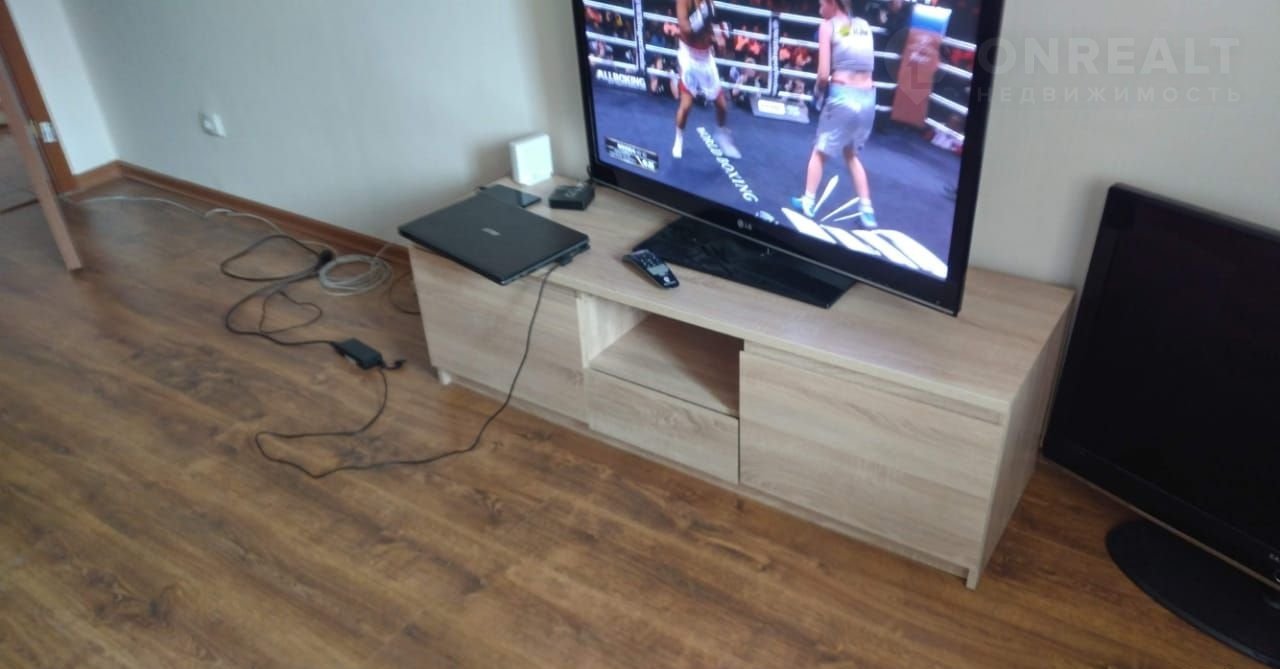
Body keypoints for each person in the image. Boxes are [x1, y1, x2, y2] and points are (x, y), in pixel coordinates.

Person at [790, 0, 879, 227]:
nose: (819, 5)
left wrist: (817, 94)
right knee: (851, 154)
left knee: (820, 150)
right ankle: (867, 210)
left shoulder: (827, 26)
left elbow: (823, 74)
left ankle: (808, 201)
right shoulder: (864, 25)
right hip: (868, 99)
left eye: (822, 2)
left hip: (843, 97)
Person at [672, 0, 741, 160]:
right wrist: (702, 16)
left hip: (706, 57)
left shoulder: (708, 2)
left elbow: (710, 23)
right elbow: (685, 28)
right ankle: (678, 139)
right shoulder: (684, 1)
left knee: (722, 106)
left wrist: (717, 35)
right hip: (689, 56)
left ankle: (722, 135)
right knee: (686, 105)